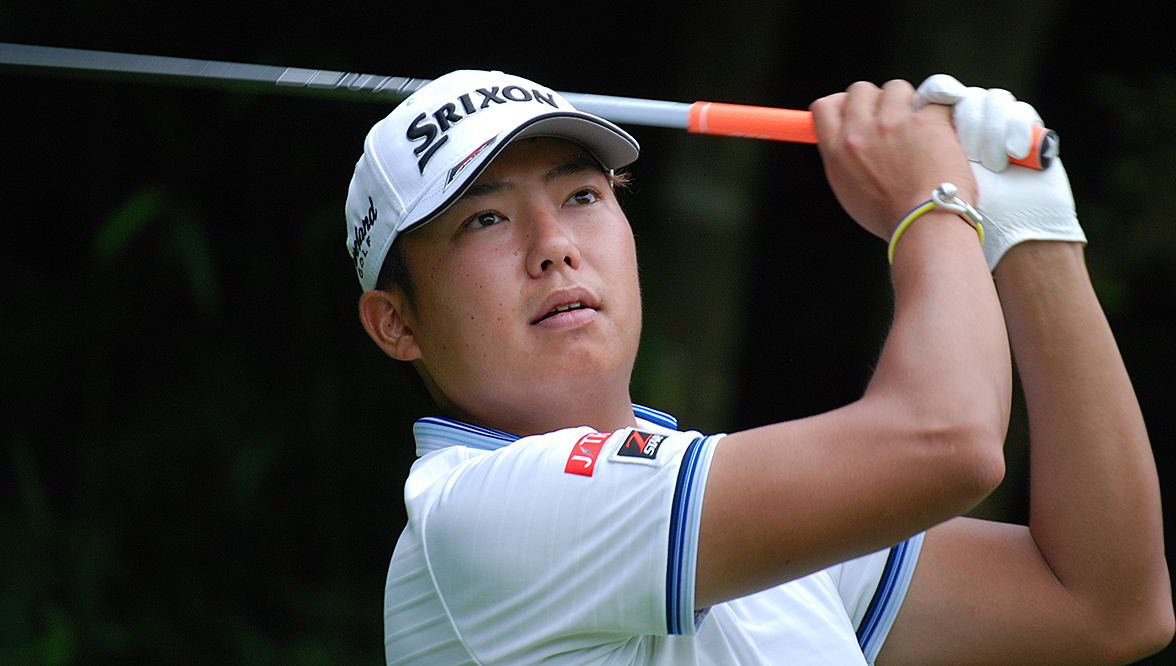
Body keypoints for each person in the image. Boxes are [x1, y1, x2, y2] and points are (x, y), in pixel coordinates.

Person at [344, 69, 1173, 665]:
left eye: (582, 196)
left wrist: (1034, 233)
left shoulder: (711, 507)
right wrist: (935, 206)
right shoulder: (475, 519)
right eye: (485, 219)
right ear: (396, 323)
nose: (554, 245)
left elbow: (1107, 606)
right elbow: (949, 442)